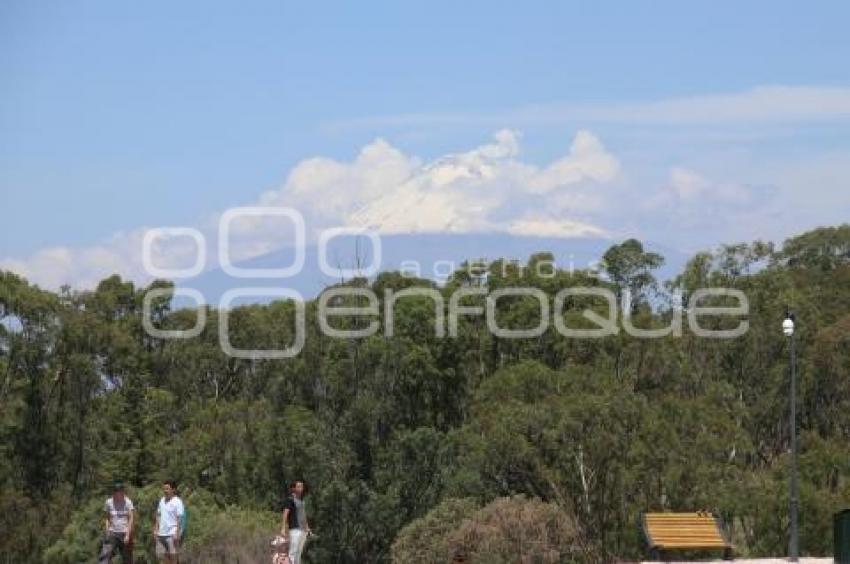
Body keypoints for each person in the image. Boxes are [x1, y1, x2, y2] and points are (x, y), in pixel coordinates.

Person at [98, 481, 135, 563]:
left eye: (119, 493)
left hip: (124, 532)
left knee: (127, 558)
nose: (117, 496)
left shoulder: (128, 502)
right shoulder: (108, 502)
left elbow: (131, 519)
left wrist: (128, 535)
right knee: (105, 555)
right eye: (115, 493)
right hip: (112, 532)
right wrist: (107, 530)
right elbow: (107, 518)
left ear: (122, 492)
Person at [152, 480, 185, 564]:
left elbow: (180, 518)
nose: (165, 491)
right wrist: (155, 529)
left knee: (173, 558)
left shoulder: (177, 502)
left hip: (171, 534)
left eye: (167, 489)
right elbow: (158, 515)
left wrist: (177, 533)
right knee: (160, 557)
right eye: (164, 489)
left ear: (173, 490)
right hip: (161, 534)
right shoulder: (162, 500)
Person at [280, 480, 311, 564]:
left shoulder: (301, 502)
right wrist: (283, 528)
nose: (301, 488)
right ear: (294, 488)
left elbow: (303, 516)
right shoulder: (290, 500)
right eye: (299, 486)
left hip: (302, 530)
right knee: (293, 552)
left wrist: (307, 528)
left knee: (298, 553)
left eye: (302, 486)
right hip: (294, 529)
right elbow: (285, 513)